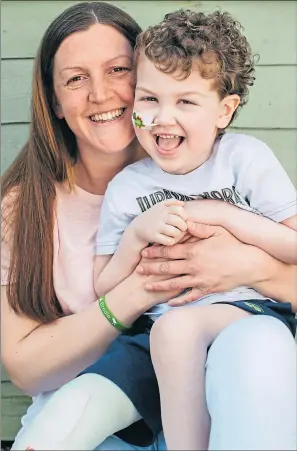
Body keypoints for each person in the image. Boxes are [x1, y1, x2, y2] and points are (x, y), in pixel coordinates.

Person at [1, 2, 295, 450]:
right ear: (55, 100)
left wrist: (244, 255)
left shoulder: (236, 160)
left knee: (244, 348)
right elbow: (28, 364)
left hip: (238, 334)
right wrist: (143, 268)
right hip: (137, 358)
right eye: (76, 78)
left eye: (118, 70)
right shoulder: (72, 199)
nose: (101, 94)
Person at [91, 8, 297, 450]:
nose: (163, 118)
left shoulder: (245, 160)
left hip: (254, 309)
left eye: (185, 101)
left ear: (224, 110)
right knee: (169, 331)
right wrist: (134, 237)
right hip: (162, 332)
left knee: (177, 330)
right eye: (149, 99)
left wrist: (225, 216)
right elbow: (104, 287)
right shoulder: (128, 188)